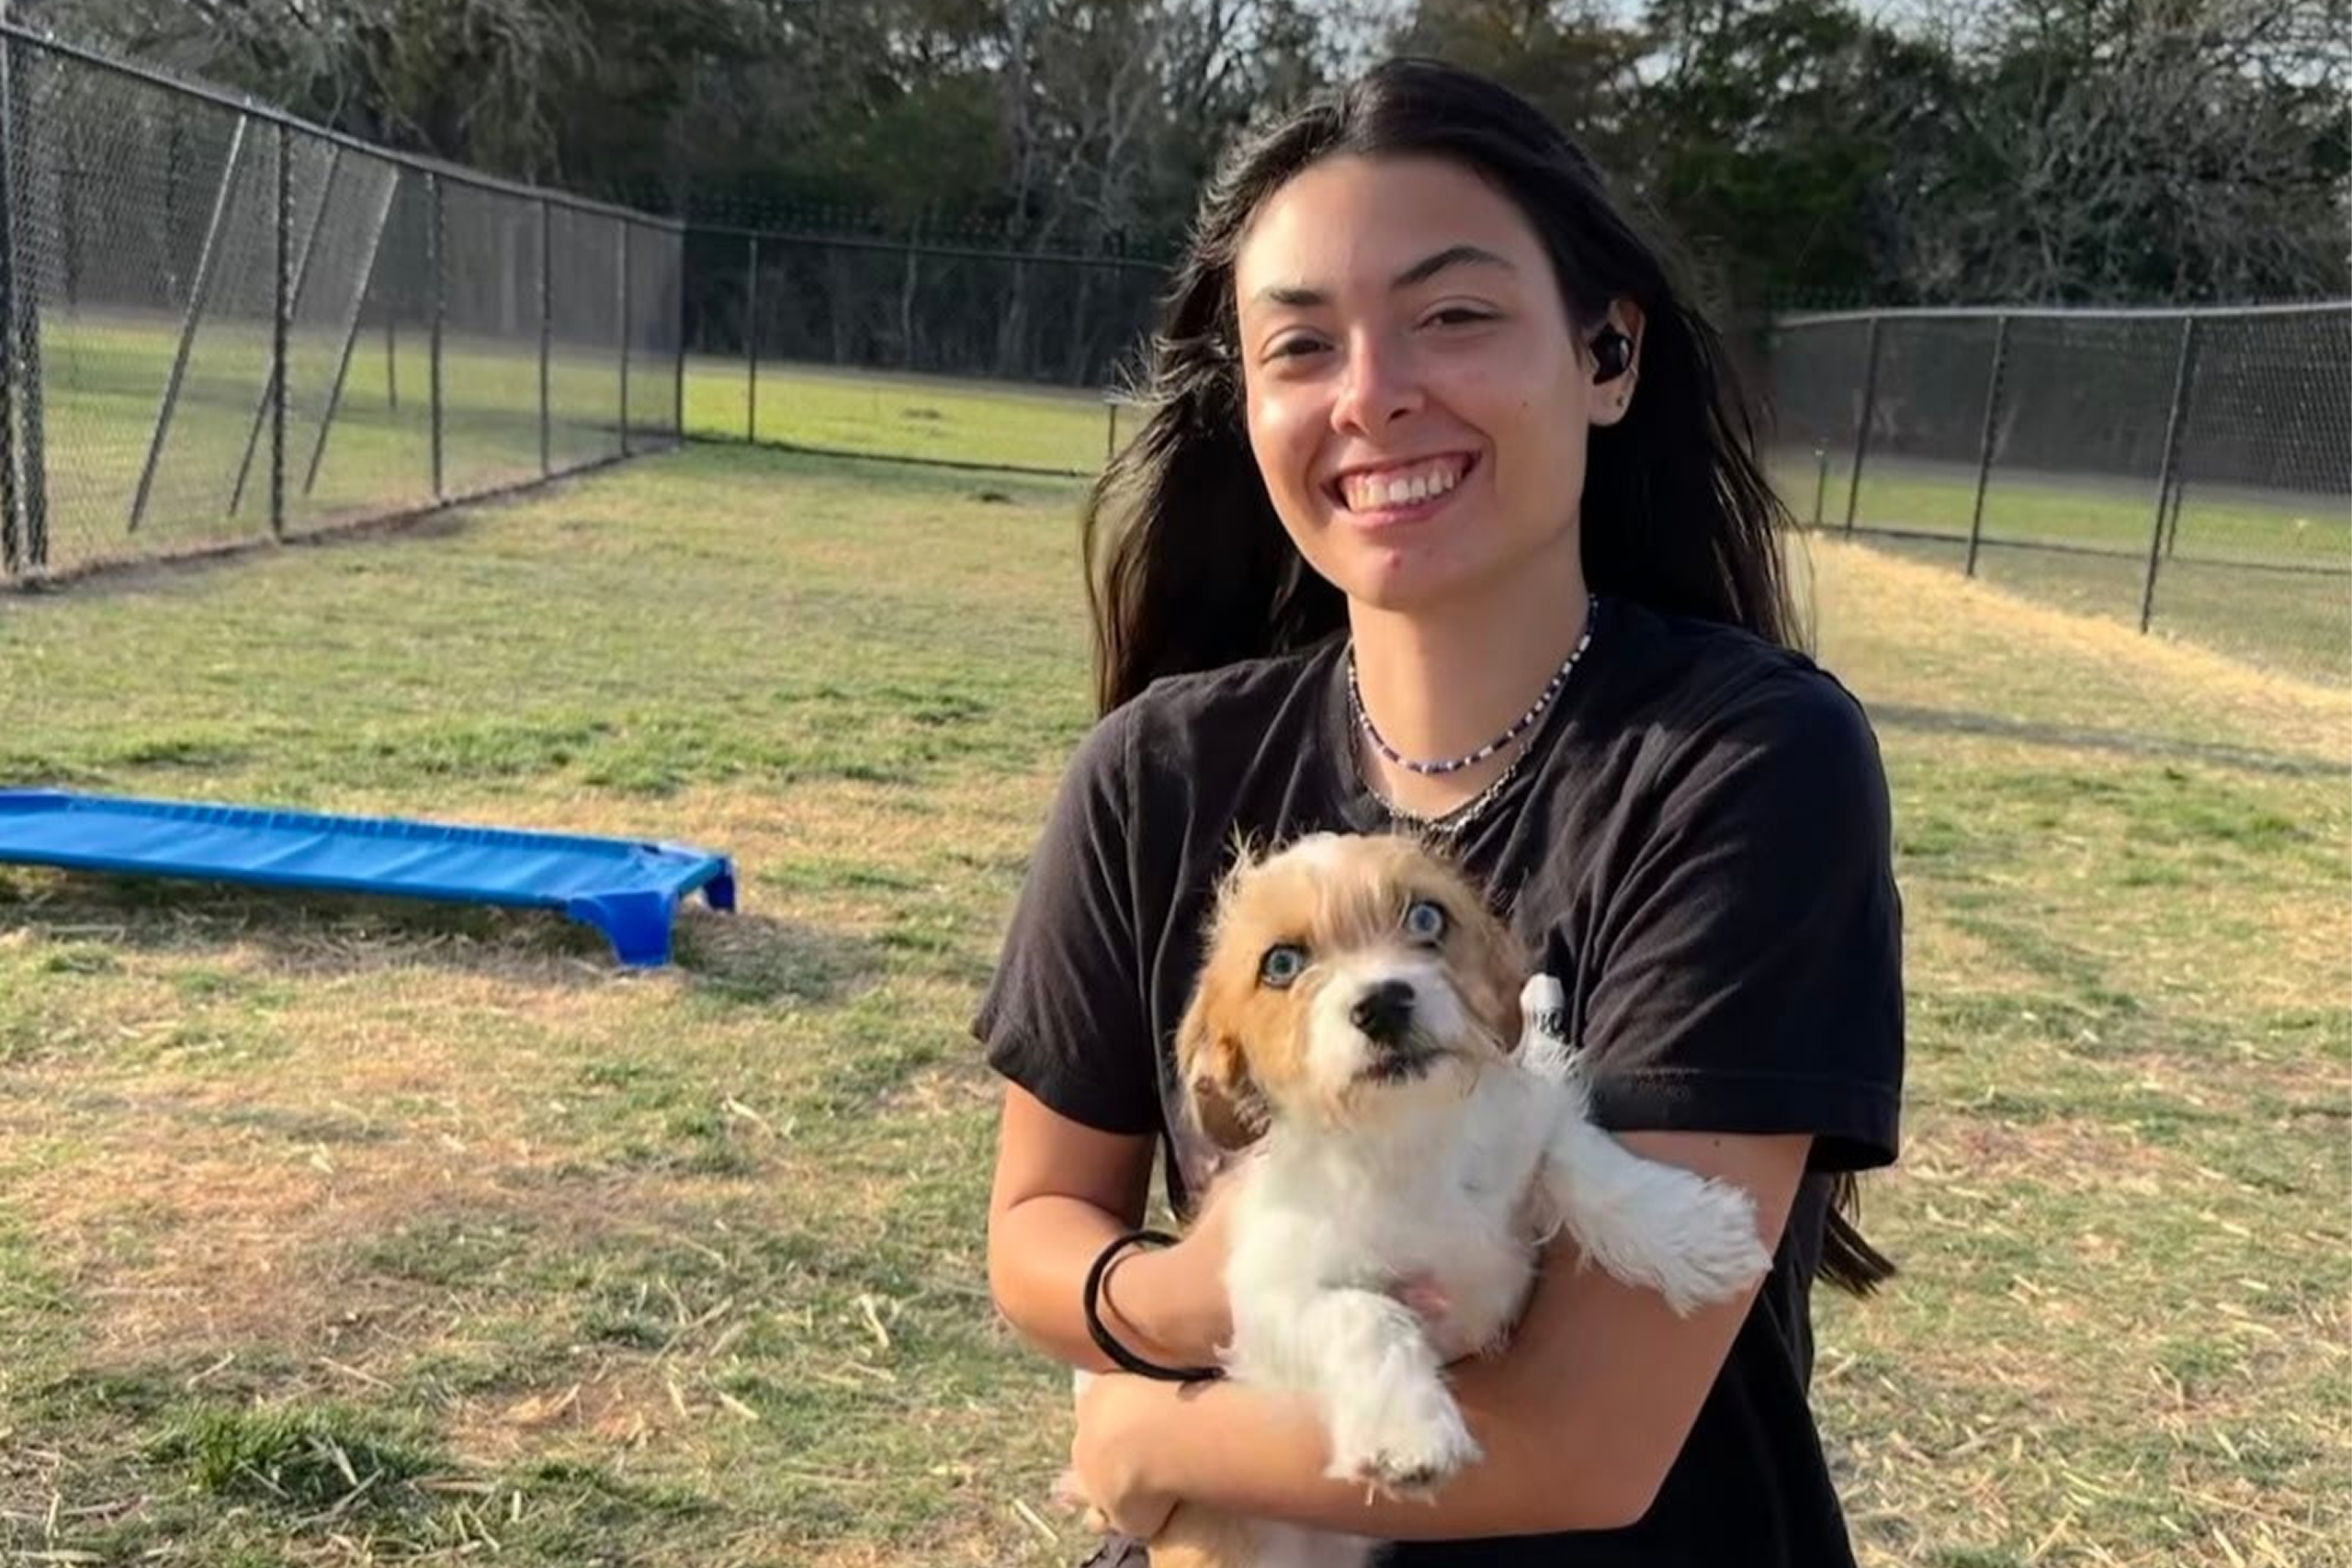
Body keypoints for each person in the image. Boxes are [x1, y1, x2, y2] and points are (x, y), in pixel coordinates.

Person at [976, 55, 1905, 1568]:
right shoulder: (1157, 771)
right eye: (1300, 346)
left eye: (1453, 314)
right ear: (1250, 402)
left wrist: (1151, 1428)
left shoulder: (1745, 765)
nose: (1373, 394)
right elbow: (1037, 1232)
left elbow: (1584, 1443)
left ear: (1607, 355)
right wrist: (1183, 1301)